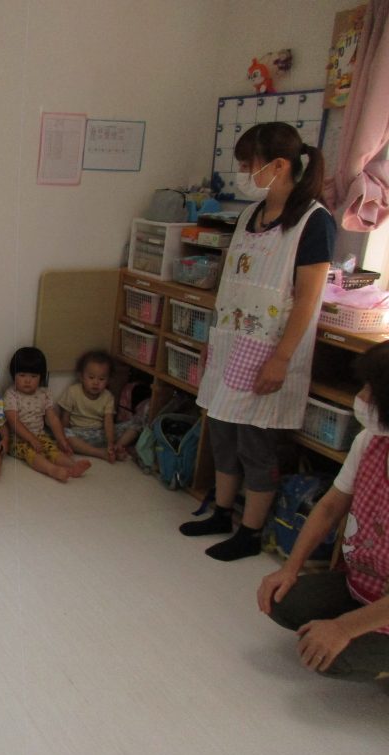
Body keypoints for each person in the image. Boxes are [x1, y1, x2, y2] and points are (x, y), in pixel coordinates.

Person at [181, 122, 334, 561]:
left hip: (270, 350)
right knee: (223, 430)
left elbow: (306, 300)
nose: (244, 173)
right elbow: (232, 282)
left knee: (255, 442)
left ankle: (250, 532)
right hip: (232, 340)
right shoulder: (251, 214)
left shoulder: (314, 222)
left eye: (249, 164)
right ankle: (222, 511)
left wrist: (281, 359)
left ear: (279, 165)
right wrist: (214, 335)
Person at [257, 341, 389, 681]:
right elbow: (330, 506)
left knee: (332, 658)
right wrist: (290, 568)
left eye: (371, 391)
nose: (361, 398)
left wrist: (343, 628)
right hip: (366, 583)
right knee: (283, 601)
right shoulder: (370, 443)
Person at [4, 347, 91, 482]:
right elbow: (13, 421)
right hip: (17, 439)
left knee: (53, 450)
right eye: (22, 375)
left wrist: (62, 440)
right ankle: (52, 470)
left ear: (41, 377)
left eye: (33, 376)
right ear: (13, 375)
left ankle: (73, 466)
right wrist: (31, 439)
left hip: (40, 435)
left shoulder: (44, 393)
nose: (27, 380)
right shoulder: (11, 394)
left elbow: (53, 419)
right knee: (32, 454)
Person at [57, 350, 142, 462]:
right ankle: (99, 453)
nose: (96, 382)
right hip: (80, 434)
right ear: (81, 377)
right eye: (91, 377)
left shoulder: (108, 397)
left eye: (101, 379)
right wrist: (63, 439)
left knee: (137, 424)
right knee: (64, 433)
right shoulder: (73, 391)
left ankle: (115, 449)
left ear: (108, 380)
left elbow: (109, 422)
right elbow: (65, 417)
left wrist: (110, 443)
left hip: (101, 434)